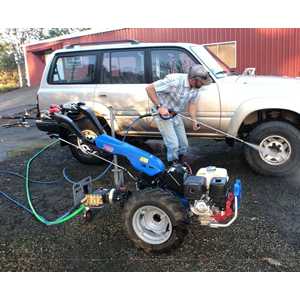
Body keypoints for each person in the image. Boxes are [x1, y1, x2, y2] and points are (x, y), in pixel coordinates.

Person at [146, 64, 211, 165]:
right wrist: (160, 107)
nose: (202, 85)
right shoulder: (174, 81)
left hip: (176, 114)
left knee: (184, 144)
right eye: (201, 82)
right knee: (173, 145)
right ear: (193, 79)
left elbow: (192, 104)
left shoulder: (196, 88)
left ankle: (181, 162)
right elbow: (149, 88)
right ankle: (173, 165)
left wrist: (194, 121)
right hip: (163, 115)